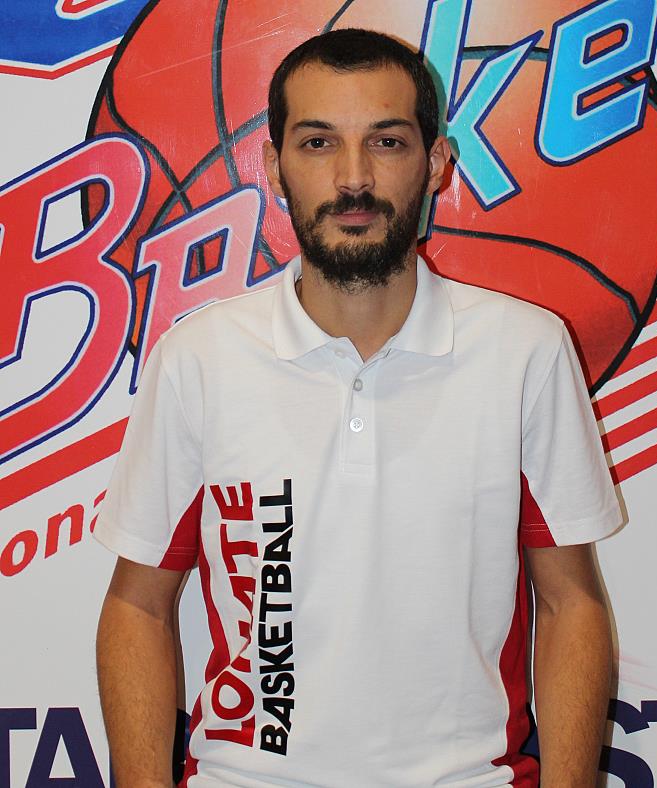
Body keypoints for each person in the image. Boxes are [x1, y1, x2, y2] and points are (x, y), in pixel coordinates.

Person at [94, 27, 621, 788]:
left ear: (436, 164)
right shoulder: (200, 358)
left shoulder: (524, 352)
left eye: (387, 142)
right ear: (274, 166)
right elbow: (138, 607)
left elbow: (571, 602)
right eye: (318, 143)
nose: (353, 178)